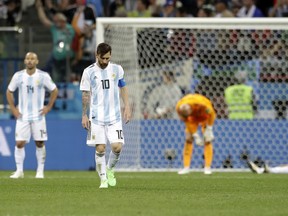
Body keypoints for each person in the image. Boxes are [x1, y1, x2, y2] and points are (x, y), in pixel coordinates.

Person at [80, 43, 131, 189]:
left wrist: (127, 106)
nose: (105, 61)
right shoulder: (88, 72)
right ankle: (103, 179)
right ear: (97, 55)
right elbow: (85, 94)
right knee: (100, 148)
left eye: (108, 58)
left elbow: (123, 87)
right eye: (103, 58)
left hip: (114, 117)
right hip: (96, 118)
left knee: (116, 147)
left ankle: (109, 169)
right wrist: (84, 115)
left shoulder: (117, 69)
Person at [6, 52, 58, 179]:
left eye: (32, 59)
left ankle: (40, 171)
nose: (30, 61)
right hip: (22, 116)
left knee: (39, 143)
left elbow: (54, 90)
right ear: (25, 61)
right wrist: (13, 108)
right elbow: (9, 91)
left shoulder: (43, 76)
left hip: (38, 116)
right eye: (28, 59)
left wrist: (49, 106)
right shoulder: (18, 76)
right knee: (19, 143)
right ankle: (19, 171)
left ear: (37, 61)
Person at [176, 94, 216, 175]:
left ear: (190, 108)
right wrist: (195, 135)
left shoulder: (203, 104)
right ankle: (186, 167)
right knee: (188, 138)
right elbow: (187, 121)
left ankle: (207, 167)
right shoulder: (179, 108)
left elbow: (212, 114)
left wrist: (209, 128)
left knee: (207, 139)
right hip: (192, 120)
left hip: (204, 116)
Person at [36, 0, 75, 82]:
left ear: (62, 21)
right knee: (47, 71)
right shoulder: (54, 28)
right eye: (55, 21)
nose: (55, 23)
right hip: (55, 55)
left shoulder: (70, 29)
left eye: (57, 21)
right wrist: (40, 8)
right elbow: (44, 20)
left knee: (62, 76)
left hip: (66, 57)